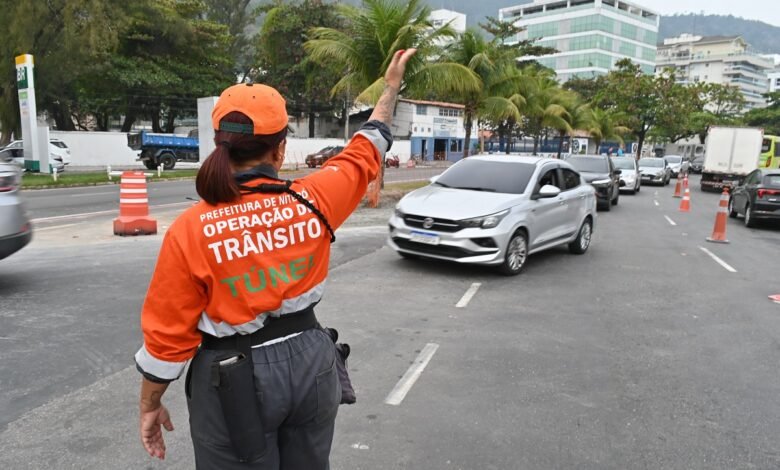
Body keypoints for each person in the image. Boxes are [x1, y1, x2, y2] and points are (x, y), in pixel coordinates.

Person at [135, 49, 417, 469]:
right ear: (280, 150)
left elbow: (167, 339)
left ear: (218, 145)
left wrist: (149, 405)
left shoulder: (191, 229)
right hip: (312, 363)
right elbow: (368, 144)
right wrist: (391, 86)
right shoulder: (317, 198)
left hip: (232, 378)